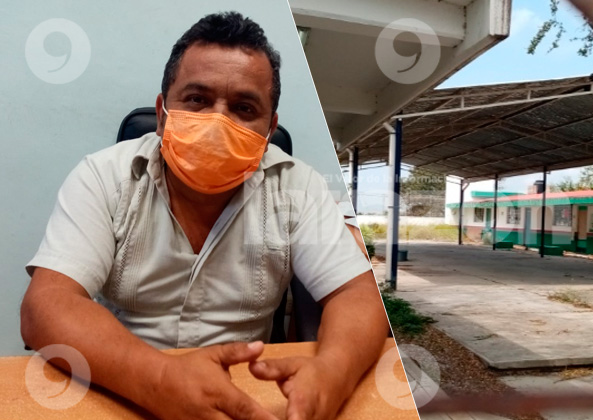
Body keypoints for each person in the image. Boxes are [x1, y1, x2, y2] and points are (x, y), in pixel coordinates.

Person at [20, 11, 389, 420]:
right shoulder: (104, 176)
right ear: (162, 113)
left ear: (269, 130)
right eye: (197, 100)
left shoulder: (298, 187)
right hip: (122, 387)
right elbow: (46, 304)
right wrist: (160, 379)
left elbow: (357, 295)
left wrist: (332, 374)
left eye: (244, 108)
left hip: (247, 394)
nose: (218, 123)